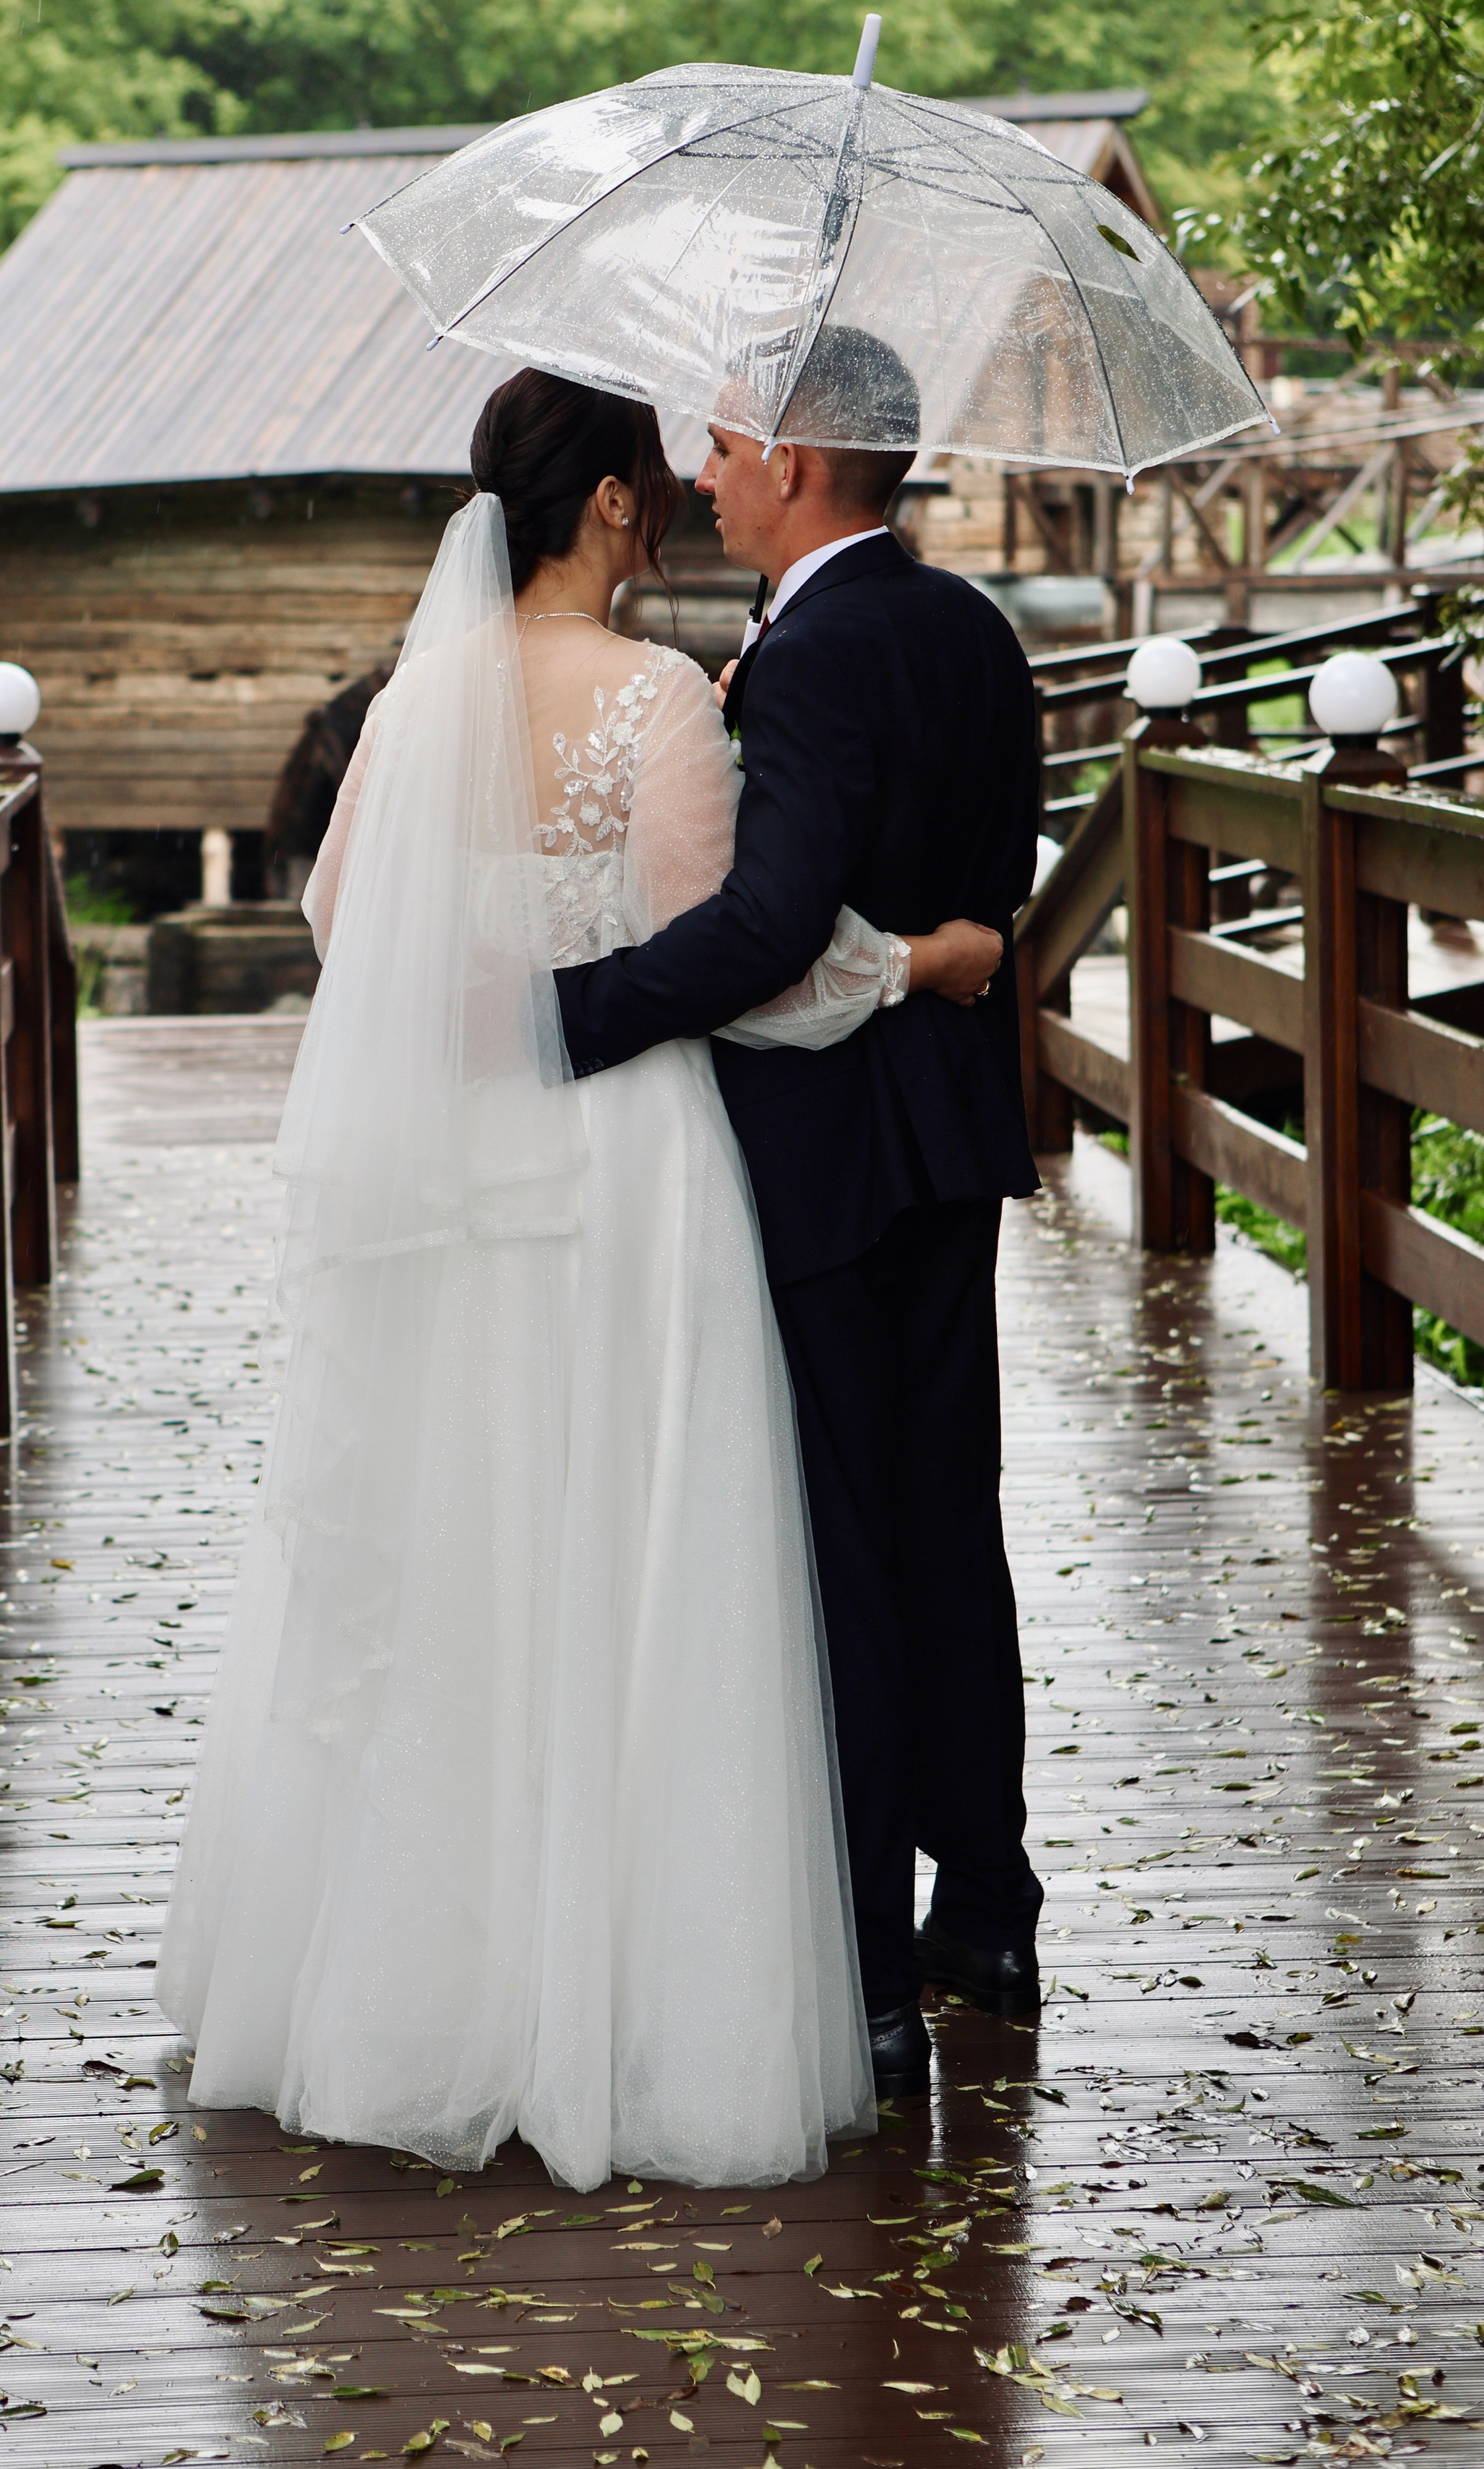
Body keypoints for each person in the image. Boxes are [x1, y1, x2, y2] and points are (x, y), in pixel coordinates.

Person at [157, 369, 1000, 2186]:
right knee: (624, 1544)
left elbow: (336, 926)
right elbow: (748, 963)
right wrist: (916, 962)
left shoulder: (415, 703)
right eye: (662, 474)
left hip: (452, 1154)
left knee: (451, 1538)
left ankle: (397, 1980)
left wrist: (479, 990)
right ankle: (624, 1974)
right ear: (609, 508)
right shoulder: (654, 704)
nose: (692, 491)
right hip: (623, 1166)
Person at [551, 327, 1045, 2097]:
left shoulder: (819, 654)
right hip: (946, 1134)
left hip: (829, 1145)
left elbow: (769, 929)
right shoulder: (974, 630)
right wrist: (943, 960)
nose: (700, 468)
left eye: (728, 438)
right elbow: (1004, 878)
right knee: (942, 1515)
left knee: (837, 1541)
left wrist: (563, 1020)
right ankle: (984, 1902)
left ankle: (857, 1964)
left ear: (800, 460)